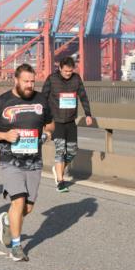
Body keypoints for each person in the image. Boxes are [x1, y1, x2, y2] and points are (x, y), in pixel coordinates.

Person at [0, 64, 54, 261]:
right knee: (18, 200)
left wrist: (47, 133)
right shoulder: (1, 101)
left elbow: (50, 123)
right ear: (16, 80)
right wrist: (4, 134)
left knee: (27, 208)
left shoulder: (41, 100)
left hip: (34, 160)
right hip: (10, 160)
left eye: (32, 81)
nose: (30, 85)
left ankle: (7, 220)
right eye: (26, 81)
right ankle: (16, 246)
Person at [41, 56, 93, 192]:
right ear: (60, 68)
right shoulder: (52, 79)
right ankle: (60, 181)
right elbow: (43, 98)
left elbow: (83, 96)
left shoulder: (76, 79)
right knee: (60, 150)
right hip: (56, 120)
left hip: (70, 121)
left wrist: (88, 114)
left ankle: (58, 168)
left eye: (70, 71)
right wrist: (43, 118)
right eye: (65, 71)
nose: (68, 74)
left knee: (72, 151)